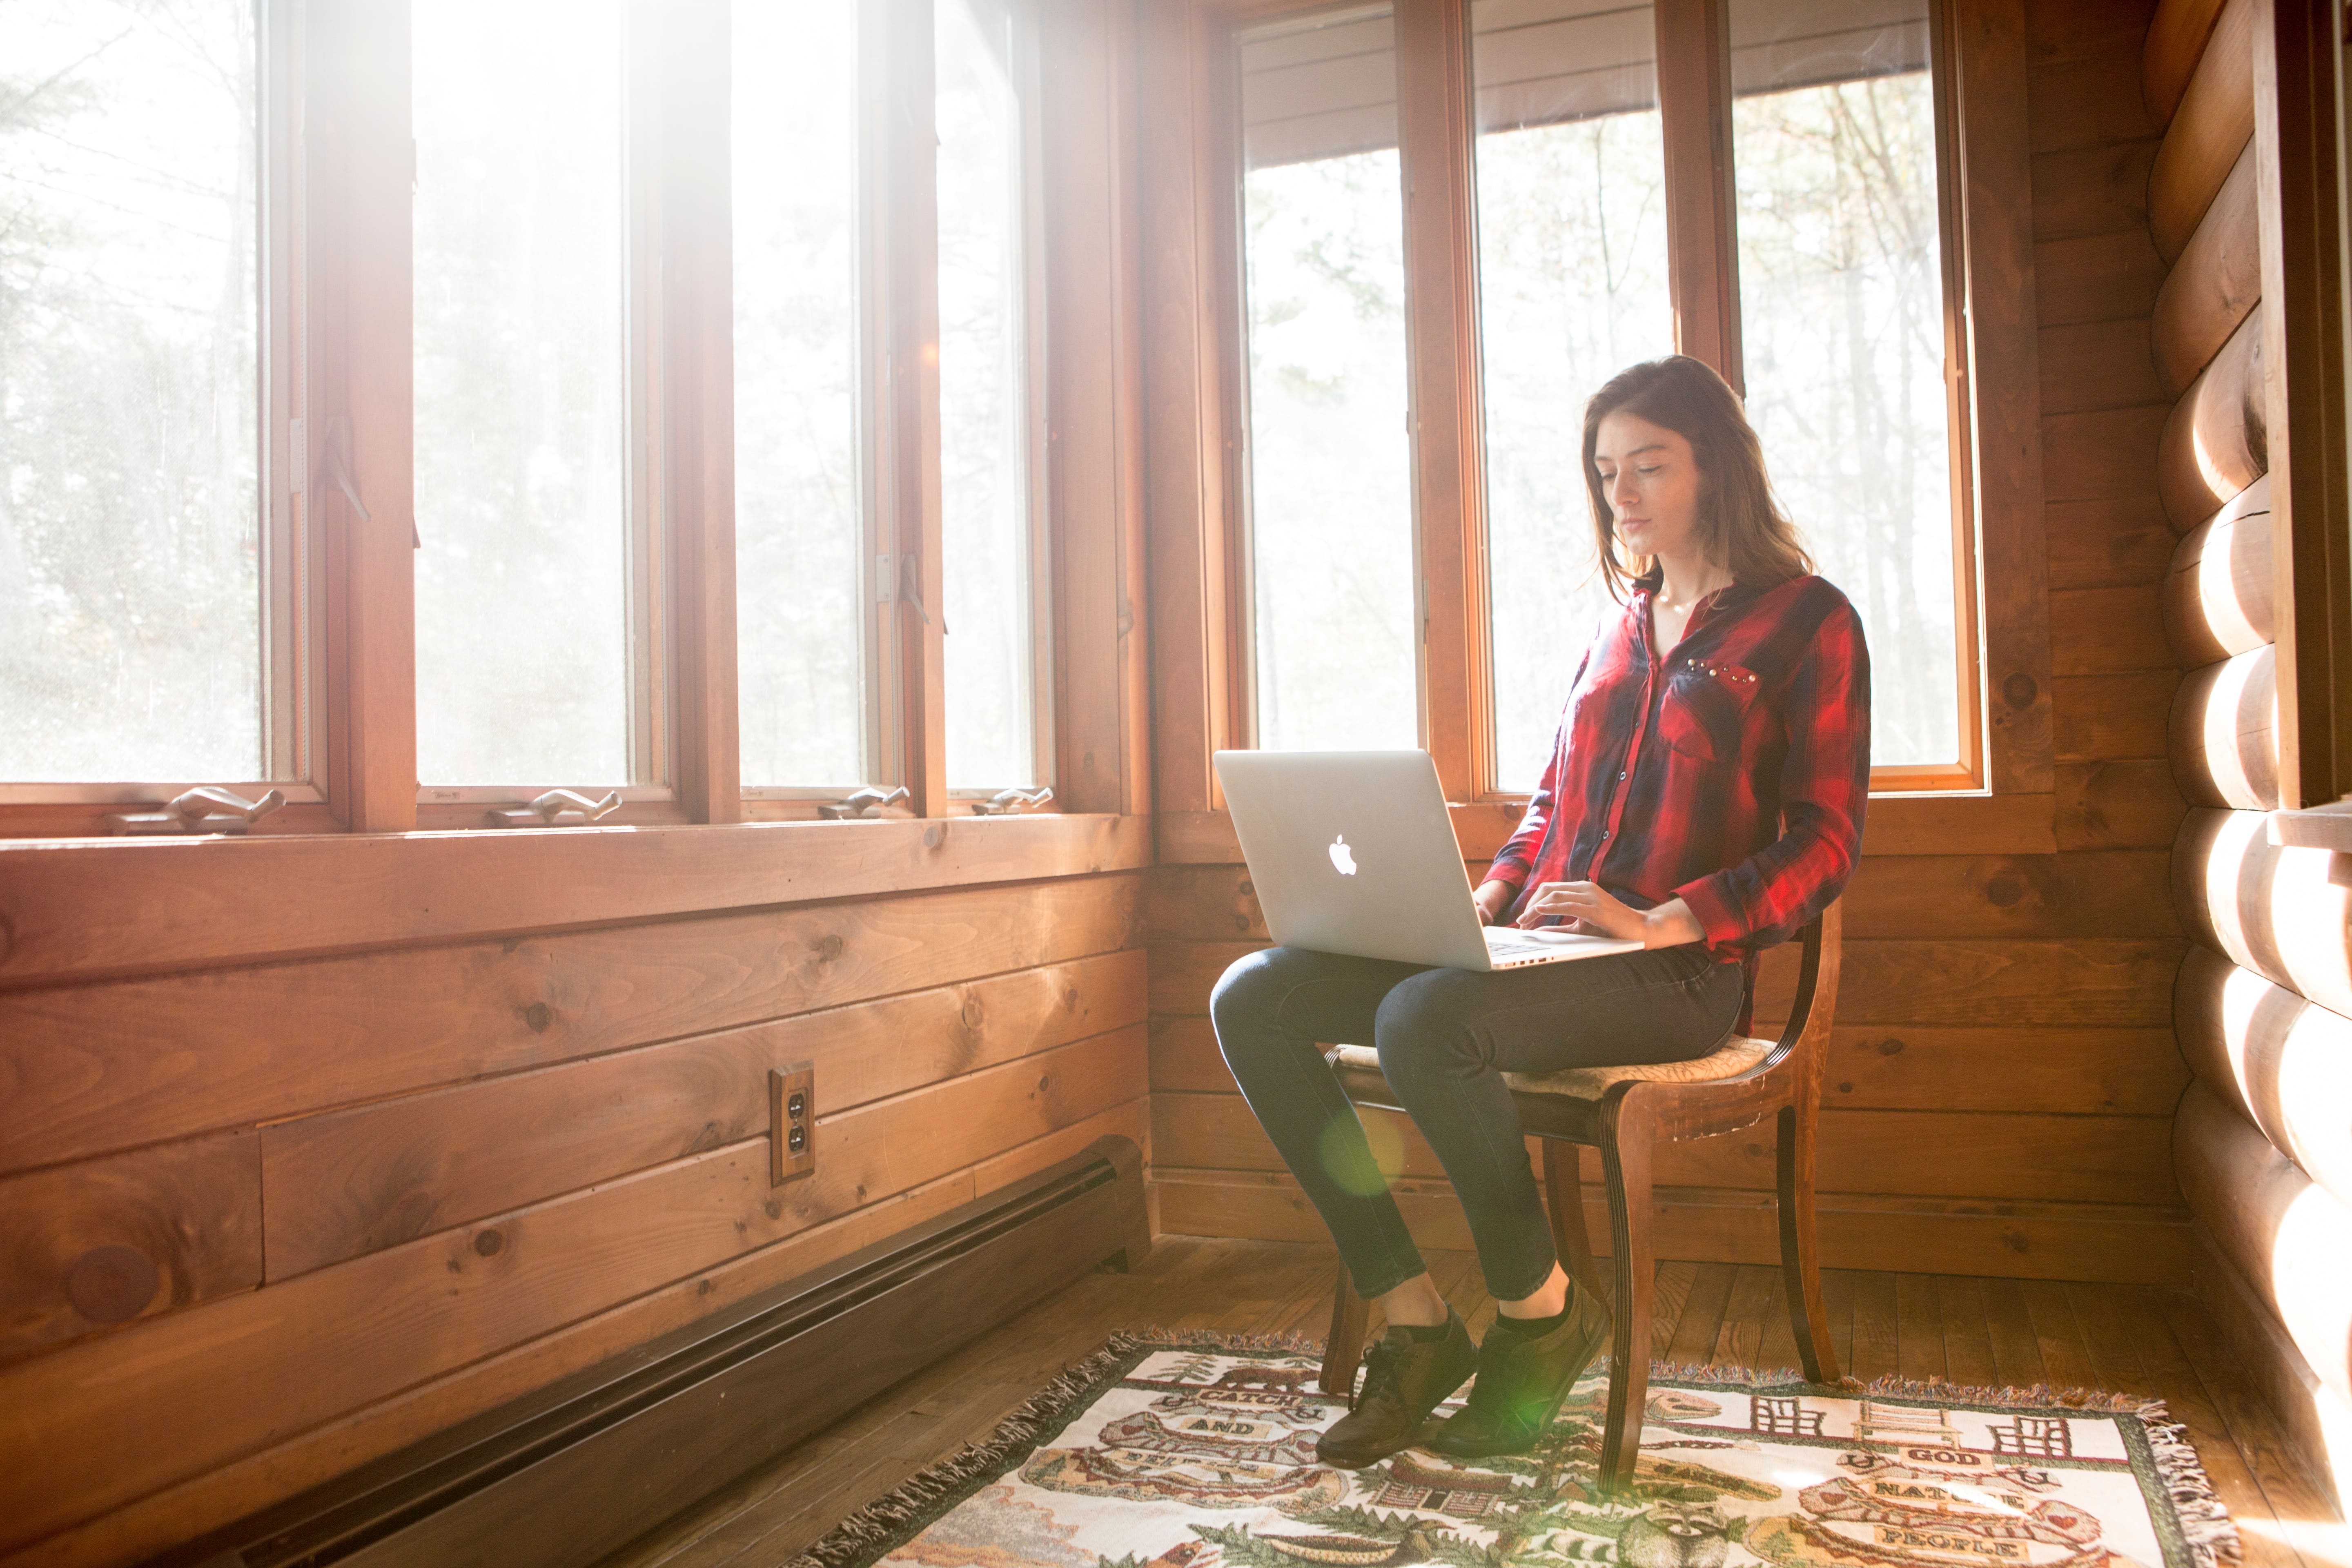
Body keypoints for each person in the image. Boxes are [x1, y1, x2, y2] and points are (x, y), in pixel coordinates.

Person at [1209, 355, 1871, 1469]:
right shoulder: (1618, 629)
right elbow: (1551, 811)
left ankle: (1539, 1315)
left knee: (1429, 1020)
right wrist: (1479, 901)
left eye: (1648, 464)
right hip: (1538, 958)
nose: (1622, 492)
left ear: (1718, 465)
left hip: (1678, 980)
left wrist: (1669, 918)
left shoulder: (1808, 622)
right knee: (1257, 996)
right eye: (1607, 470)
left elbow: (1828, 842)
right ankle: (1417, 1322)